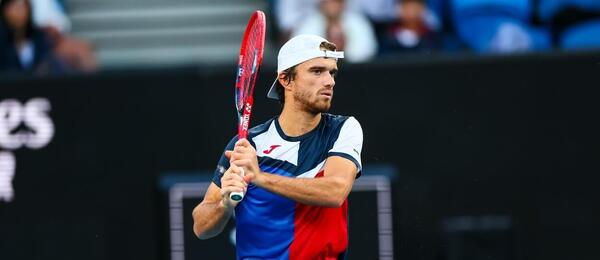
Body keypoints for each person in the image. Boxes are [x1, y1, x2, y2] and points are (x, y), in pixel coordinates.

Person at [192, 34, 363, 259]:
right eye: (317, 71)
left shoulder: (343, 129)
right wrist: (224, 204)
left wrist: (259, 177)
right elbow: (201, 228)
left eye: (332, 72)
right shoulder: (247, 145)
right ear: (286, 79)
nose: (329, 81)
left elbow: (335, 191)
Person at [293, 0, 377, 63]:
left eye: (336, 2)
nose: (332, 5)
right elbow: (300, 52)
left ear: (343, 3)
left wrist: (343, 48)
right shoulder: (309, 23)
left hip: (353, 74)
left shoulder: (358, 22)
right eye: (328, 2)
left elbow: (366, 51)